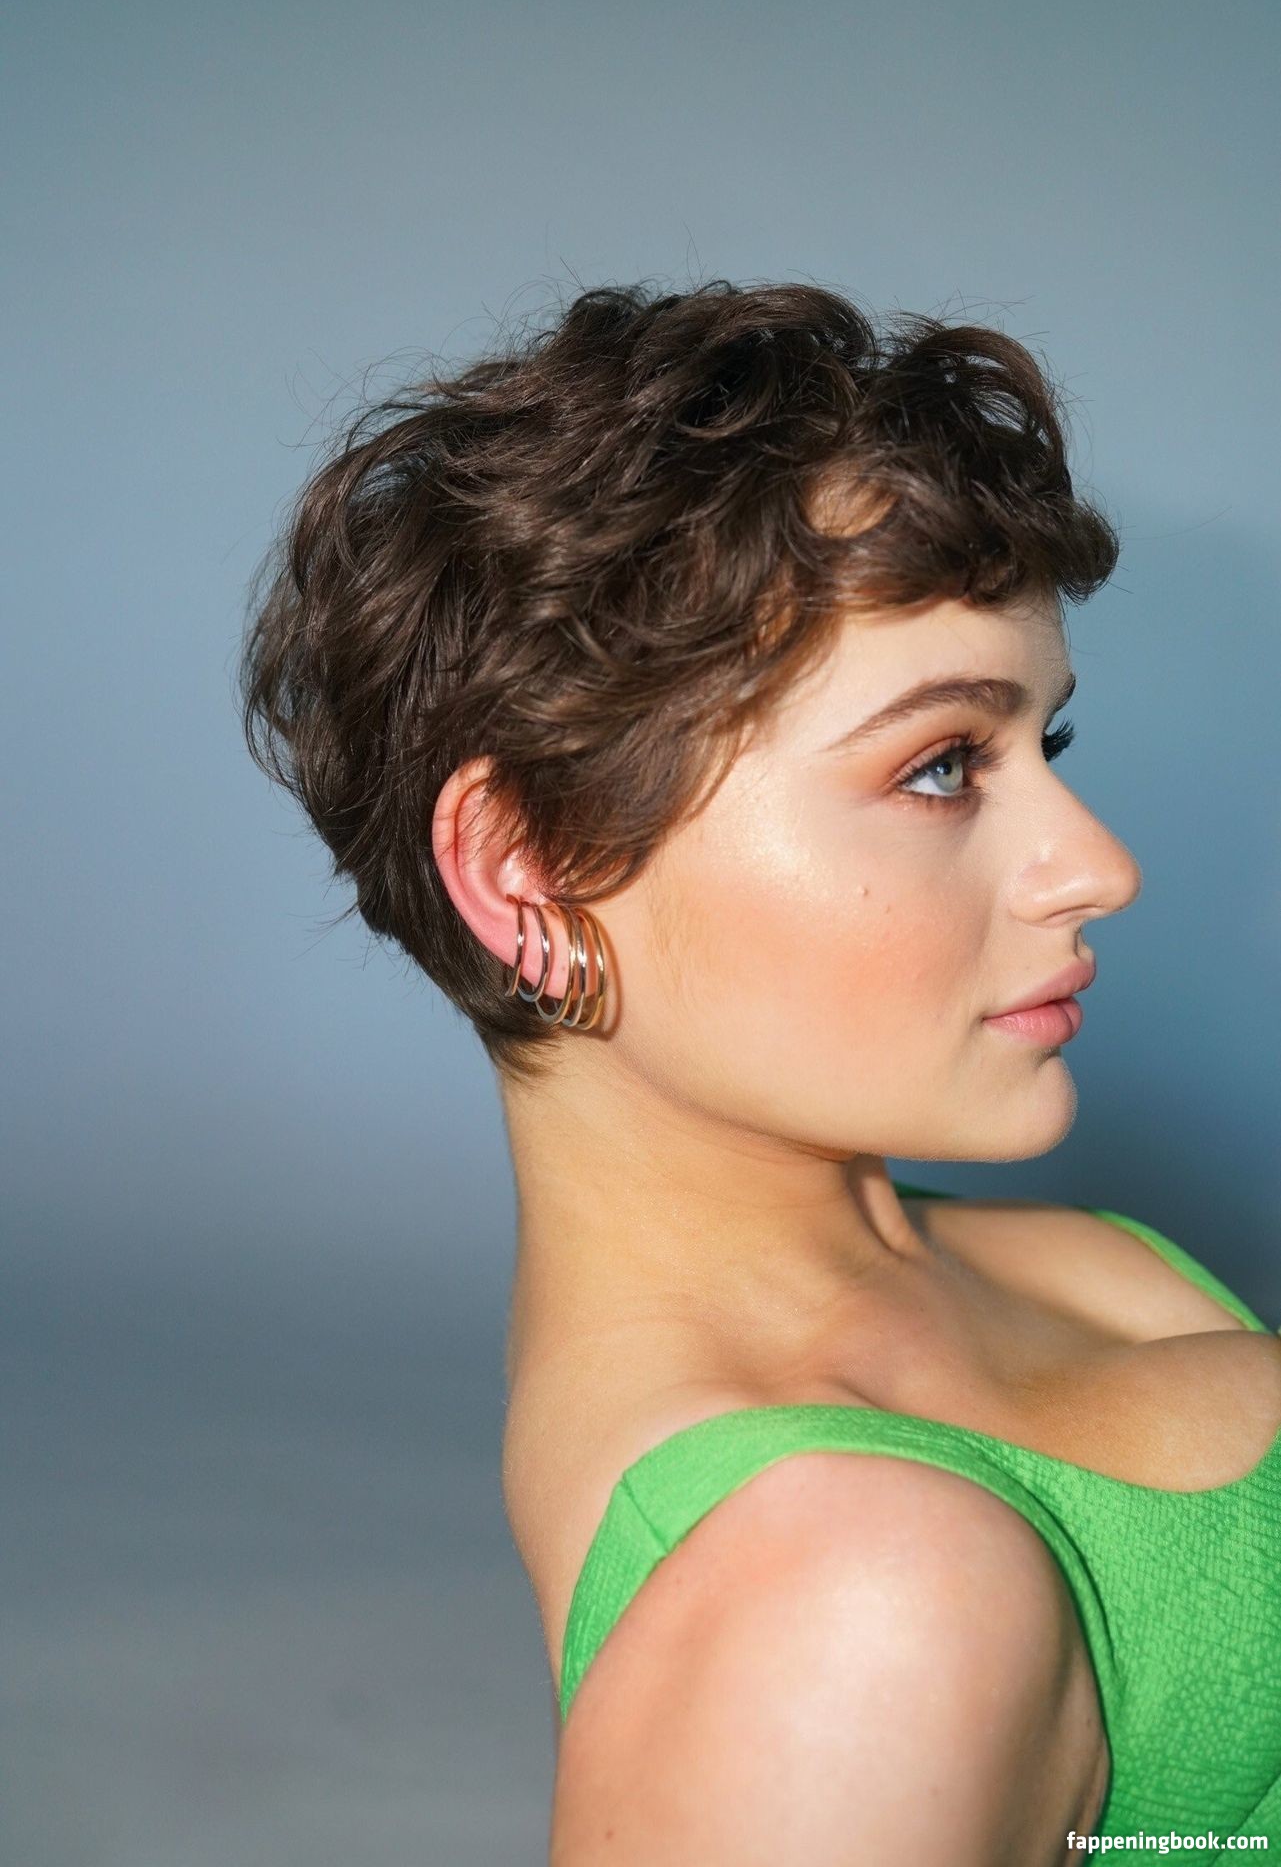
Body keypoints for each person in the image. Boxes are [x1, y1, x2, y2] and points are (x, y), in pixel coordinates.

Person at [238, 279, 1281, 1861]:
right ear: (530, 869)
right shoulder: (839, 1602)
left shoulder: (1088, 1263)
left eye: (1040, 747)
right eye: (940, 766)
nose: (1097, 867)